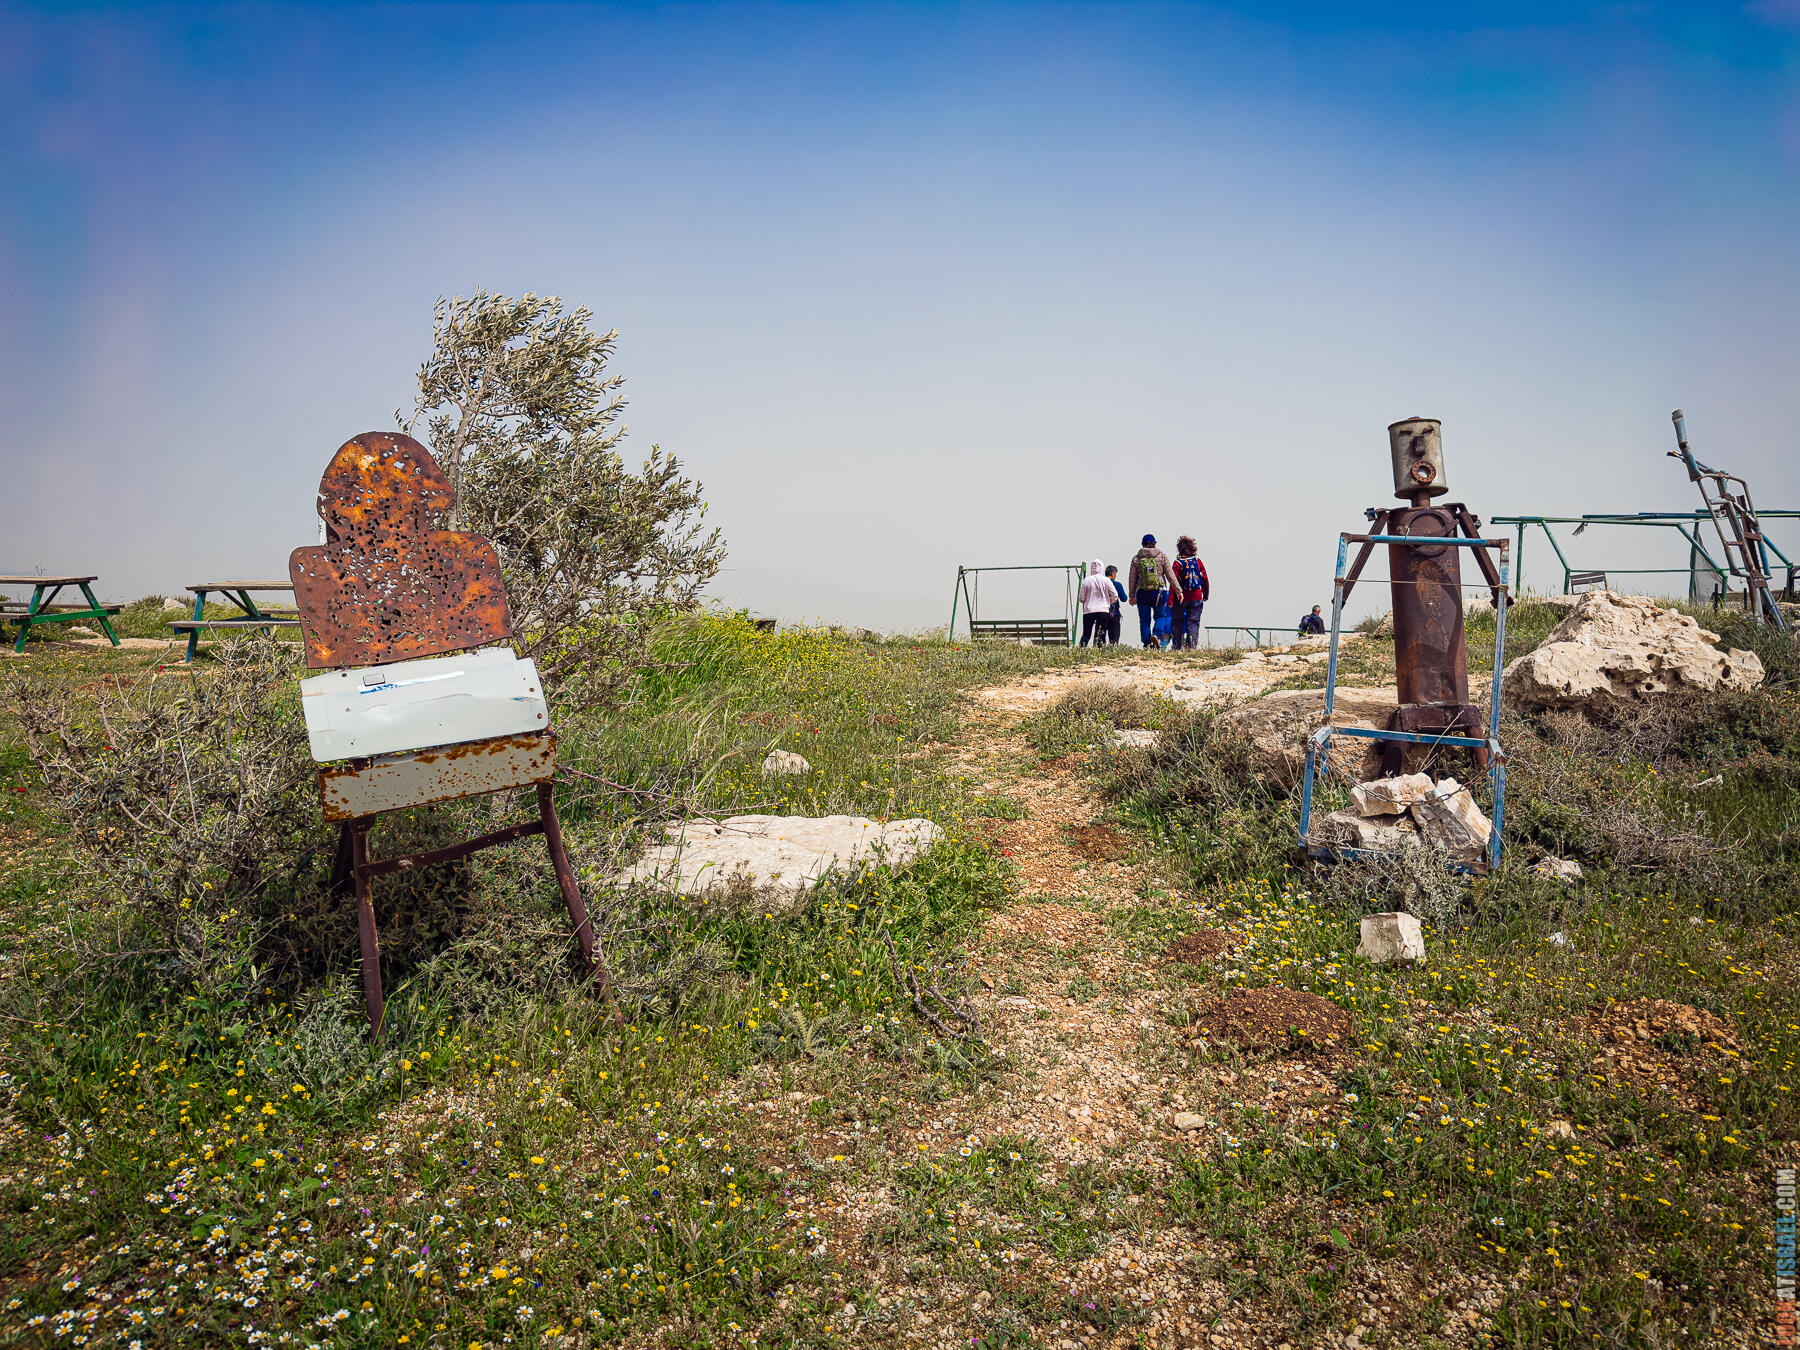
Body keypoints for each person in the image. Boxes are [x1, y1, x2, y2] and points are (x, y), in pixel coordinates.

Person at [1128, 534, 1181, 649]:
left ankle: (1147, 643)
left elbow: (1132, 578)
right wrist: (1178, 591)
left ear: (1142, 544)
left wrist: (1131, 595)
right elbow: (1170, 576)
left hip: (1142, 592)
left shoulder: (1136, 558)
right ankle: (1156, 635)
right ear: (1154, 544)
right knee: (1160, 616)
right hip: (1159, 593)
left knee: (1144, 620)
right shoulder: (1162, 556)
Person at [1170, 536, 1210, 650]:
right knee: (1193, 622)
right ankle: (1191, 647)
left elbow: (1174, 582)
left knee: (1177, 622)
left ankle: (1177, 647)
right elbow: (1205, 579)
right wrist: (1205, 595)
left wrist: (1170, 600)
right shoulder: (1197, 561)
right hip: (1196, 596)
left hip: (1180, 597)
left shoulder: (1177, 563)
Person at [1077, 559, 1115, 646]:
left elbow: (1081, 598)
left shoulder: (1086, 580)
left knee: (1086, 634)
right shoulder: (1106, 580)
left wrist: (1087, 602)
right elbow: (1114, 595)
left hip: (1089, 610)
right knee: (1101, 634)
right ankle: (1100, 652)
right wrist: (1108, 603)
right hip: (1103, 610)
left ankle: (1081, 650)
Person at [1105, 565, 1126, 645]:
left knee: (1100, 636)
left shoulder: (1101, 584)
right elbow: (1124, 599)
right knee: (1114, 637)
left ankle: (1099, 650)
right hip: (1114, 614)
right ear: (1113, 574)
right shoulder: (1117, 585)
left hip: (1101, 612)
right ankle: (1113, 649)